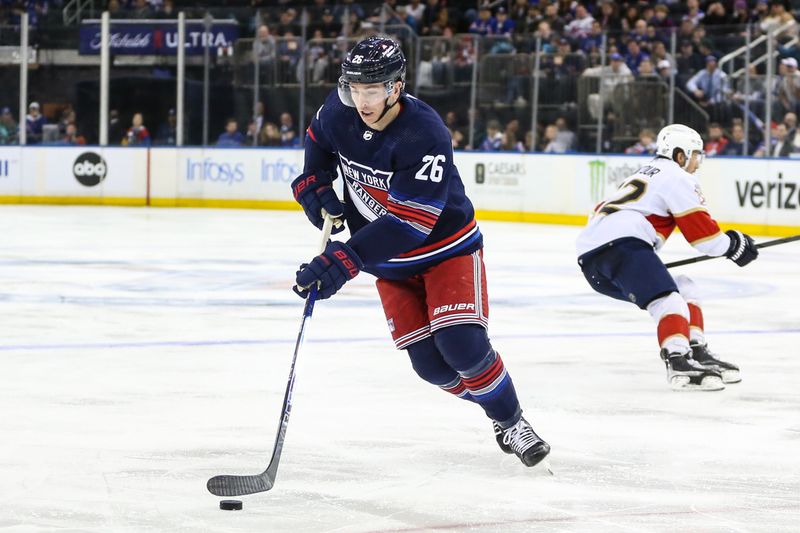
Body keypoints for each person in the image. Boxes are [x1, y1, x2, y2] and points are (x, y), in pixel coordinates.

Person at [290, 36, 550, 467]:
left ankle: (512, 419)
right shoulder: (340, 110)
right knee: (430, 366)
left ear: (395, 87)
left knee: (463, 346)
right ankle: (495, 405)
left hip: (447, 249)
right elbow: (318, 137)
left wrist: (347, 258)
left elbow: (410, 224)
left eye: (371, 91)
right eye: (354, 89)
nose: (361, 100)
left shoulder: (424, 133)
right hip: (388, 265)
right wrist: (312, 182)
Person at [576, 124, 759, 391]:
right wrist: (734, 245)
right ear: (680, 155)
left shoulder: (647, 172)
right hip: (623, 246)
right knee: (668, 300)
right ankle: (678, 361)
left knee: (684, 287)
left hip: (594, 258)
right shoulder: (677, 176)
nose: (698, 162)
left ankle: (695, 350)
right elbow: (705, 239)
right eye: (696, 154)